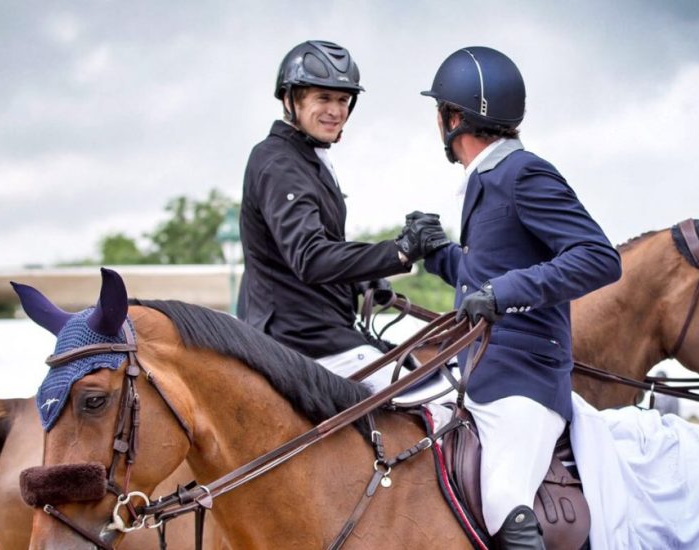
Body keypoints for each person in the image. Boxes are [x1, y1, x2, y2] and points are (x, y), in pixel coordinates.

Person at [407, 47, 622, 549]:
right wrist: (436, 252)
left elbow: (598, 257)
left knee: (504, 497)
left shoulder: (523, 173)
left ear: (452, 118)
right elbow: (481, 280)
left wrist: (504, 292)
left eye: (439, 113)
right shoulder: (484, 181)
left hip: (525, 379)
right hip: (477, 371)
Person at [237, 40, 449, 390]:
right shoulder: (279, 163)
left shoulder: (306, 159)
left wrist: (360, 278)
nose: (335, 110)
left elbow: (307, 255)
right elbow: (310, 257)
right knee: (436, 397)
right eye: (323, 98)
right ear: (291, 99)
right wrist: (398, 250)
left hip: (324, 331)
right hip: (301, 341)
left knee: (430, 372)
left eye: (343, 100)